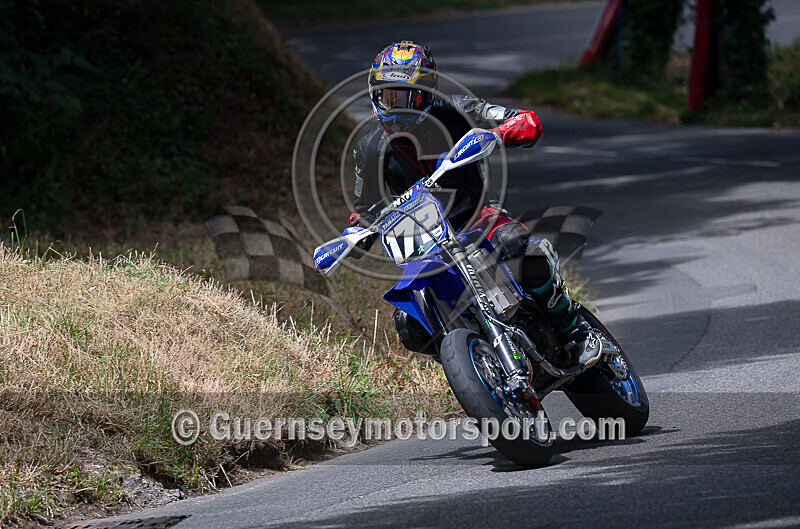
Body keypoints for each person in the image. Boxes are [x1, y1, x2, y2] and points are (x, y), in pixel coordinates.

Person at [349, 41, 600, 367]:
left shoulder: (458, 111)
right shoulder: (369, 148)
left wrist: (504, 130)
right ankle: (473, 363)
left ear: (426, 93)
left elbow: (523, 120)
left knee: (517, 245)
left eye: (405, 98)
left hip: (477, 217)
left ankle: (574, 330)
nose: (395, 108)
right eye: (387, 97)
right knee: (408, 323)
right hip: (423, 242)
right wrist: (354, 236)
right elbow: (364, 209)